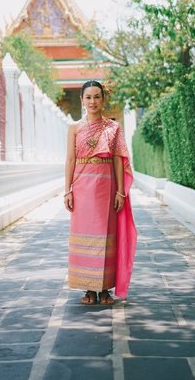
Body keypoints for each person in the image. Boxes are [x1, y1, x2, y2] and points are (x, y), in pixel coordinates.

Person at [64, 80, 137, 305]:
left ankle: (104, 288)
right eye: (88, 97)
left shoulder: (112, 128)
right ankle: (89, 288)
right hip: (82, 185)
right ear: (82, 100)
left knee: (106, 236)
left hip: (106, 186)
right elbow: (70, 159)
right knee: (86, 236)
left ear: (103, 99)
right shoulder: (74, 128)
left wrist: (120, 192)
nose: (93, 101)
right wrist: (67, 190)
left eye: (97, 97)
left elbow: (117, 160)